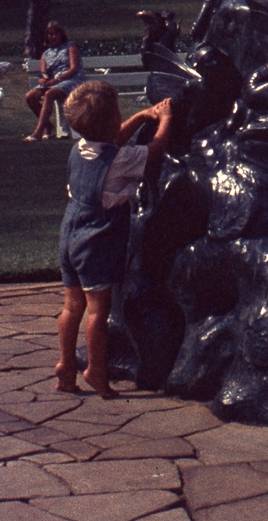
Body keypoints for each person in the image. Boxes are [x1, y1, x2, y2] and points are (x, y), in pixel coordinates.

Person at [55, 81, 174, 398]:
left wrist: (138, 118)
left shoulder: (79, 148)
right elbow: (156, 148)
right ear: (110, 121)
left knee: (72, 306)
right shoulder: (123, 160)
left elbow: (112, 140)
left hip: (69, 234)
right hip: (96, 240)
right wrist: (163, 118)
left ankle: (66, 365)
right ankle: (96, 368)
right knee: (98, 311)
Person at [24, 21, 85, 141]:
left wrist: (56, 80)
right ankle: (48, 126)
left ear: (61, 34)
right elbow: (44, 72)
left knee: (49, 94)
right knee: (30, 96)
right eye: (50, 34)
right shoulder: (46, 54)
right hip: (54, 82)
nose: (53, 37)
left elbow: (73, 69)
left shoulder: (70, 46)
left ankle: (38, 132)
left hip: (71, 80)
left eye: (55, 33)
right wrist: (45, 78)